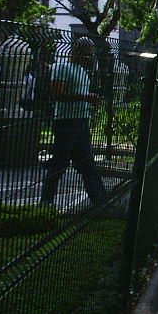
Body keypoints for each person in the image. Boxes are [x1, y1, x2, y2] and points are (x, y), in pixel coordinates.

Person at [41, 37, 107, 207]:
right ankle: (46, 200)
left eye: (91, 55)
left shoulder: (82, 71)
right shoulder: (62, 68)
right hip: (66, 121)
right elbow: (57, 94)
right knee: (59, 163)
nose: (89, 59)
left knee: (86, 163)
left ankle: (99, 200)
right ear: (76, 52)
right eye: (87, 55)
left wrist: (90, 99)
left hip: (81, 120)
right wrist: (86, 97)